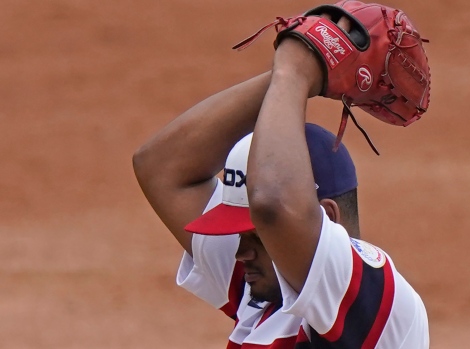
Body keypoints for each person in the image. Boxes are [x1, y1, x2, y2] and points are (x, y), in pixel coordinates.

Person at [133, 16, 428, 349]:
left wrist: (295, 72)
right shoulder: (263, 297)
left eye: (258, 236)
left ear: (327, 219)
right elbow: (162, 169)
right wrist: (309, 69)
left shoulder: (373, 298)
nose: (241, 254)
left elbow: (273, 204)